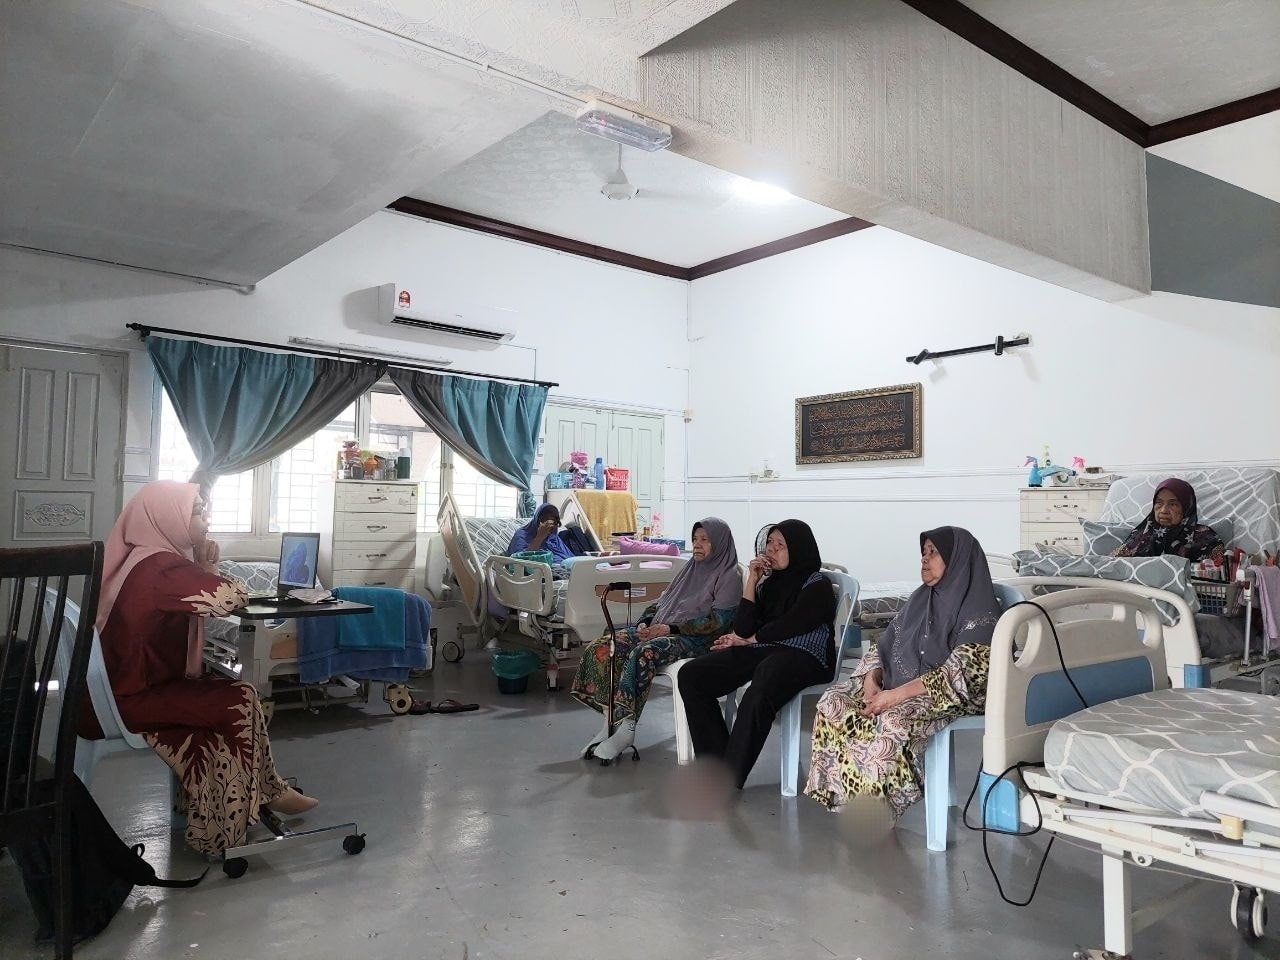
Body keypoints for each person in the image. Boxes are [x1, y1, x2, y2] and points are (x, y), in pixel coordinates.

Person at [93, 480, 317, 856]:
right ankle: (268, 792)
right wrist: (208, 567)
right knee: (240, 698)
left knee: (231, 699)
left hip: (118, 690)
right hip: (131, 698)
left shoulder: (142, 558)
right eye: (197, 510)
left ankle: (252, 802)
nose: (206, 518)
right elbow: (231, 597)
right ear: (166, 517)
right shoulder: (161, 567)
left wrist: (200, 566)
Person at [804, 526, 1001, 818]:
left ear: (957, 560)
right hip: (901, 684)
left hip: (953, 692)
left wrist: (893, 697)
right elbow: (886, 643)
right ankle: (847, 800)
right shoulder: (922, 598)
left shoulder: (980, 612)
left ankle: (878, 814)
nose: (924, 558)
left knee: (893, 719)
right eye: (924, 552)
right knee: (834, 701)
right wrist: (872, 680)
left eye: (934, 552)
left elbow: (959, 674)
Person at [677, 519, 837, 790]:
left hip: (807, 654)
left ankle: (731, 775)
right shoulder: (769, 583)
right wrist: (752, 579)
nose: (771, 549)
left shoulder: (817, 584)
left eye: (780, 545)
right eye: (769, 543)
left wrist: (750, 639)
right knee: (692, 675)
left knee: (767, 674)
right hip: (767, 649)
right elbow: (743, 627)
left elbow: (793, 624)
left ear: (798, 549)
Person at [572, 517, 742, 761]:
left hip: (699, 640)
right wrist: (646, 622)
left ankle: (627, 729)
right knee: (606, 646)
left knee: (644, 653)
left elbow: (718, 622)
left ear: (720, 543)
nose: (697, 544)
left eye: (705, 540)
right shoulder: (690, 570)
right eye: (695, 539)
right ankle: (610, 724)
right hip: (664, 628)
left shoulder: (729, 577)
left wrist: (669, 628)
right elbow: (661, 602)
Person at [1111, 477, 1226, 562]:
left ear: (1186, 508)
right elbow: (1111, 564)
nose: (1164, 510)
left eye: (1173, 504)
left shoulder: (1205, 537)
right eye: (1159, 503)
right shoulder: (1141, 535)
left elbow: (1222, 575)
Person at [506, 503, 575, 564]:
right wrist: (539, 537)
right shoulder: (522, 535)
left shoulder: (553, 538)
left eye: (554, 521)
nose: (549, 525)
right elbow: (519, 562)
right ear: (537, 520)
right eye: (545, 519)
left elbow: (570, 558)